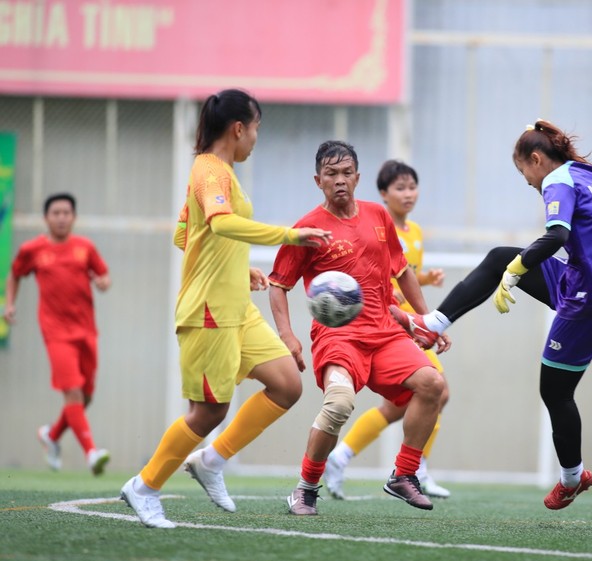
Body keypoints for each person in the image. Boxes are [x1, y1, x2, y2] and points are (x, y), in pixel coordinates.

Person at [391, 119, 592, 510]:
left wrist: (518, 271)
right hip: (583, 276)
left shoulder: (557, 180)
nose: (530, 183)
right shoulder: (584, 171)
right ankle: (433, 324)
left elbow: (557, 235)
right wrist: (514, 265)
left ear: (537, 159)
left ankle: (572, 478)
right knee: (501, 257)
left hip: (590, 295)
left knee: (554, 390)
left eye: (526, 174)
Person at [119, 89, 332, 529]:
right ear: (239, 128)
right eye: (256, 129)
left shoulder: (220, 175)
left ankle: (211, 461)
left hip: (237, 306)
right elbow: (217, 223)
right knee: (209, 411)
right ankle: (144, 487)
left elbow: (186, 233)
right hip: (209, 312)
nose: (256, 139)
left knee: (287, 385)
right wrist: (290, 236)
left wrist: (240, 267)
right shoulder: (209, 171)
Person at [268, 141, 449, 516]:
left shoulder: (378, 217)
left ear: (358, 177)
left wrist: (425, 319)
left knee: (433, 385)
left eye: (346, 173)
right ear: (318, 180)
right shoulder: (307, 228)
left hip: (385, 332)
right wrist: (288, 336)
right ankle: (305, 489)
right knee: (338, 405)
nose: (340, 181)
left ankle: (404, 474)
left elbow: (402, 271)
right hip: (339, 338)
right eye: (331, 174)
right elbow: (278, 284)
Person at [323, 159, 451, 500]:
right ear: (382, 194)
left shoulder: (416, 232)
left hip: (410, 326)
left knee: (400, 405)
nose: (408, 194)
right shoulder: (377, 226)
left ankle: (342, 455)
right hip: (389, 324)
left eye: (412, 187)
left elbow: (404, 273)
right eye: (399, 188)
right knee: (437, 391)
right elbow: (377, 274)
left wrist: (424, 282)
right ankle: (416, 467)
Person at [4, 193, 112, 476]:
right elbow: (15, 274)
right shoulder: (33, 249)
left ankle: (51, 437)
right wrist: (10, 303)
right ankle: (91, 453)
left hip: (86, 331)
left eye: (66, 213)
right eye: (56, 213)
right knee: (73, 393)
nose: (62, 217)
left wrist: (102, 282)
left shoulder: (85, 247)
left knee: (86, 396)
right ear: (46, 218)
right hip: (56, 333)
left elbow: (104, 275)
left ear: (74, 217)